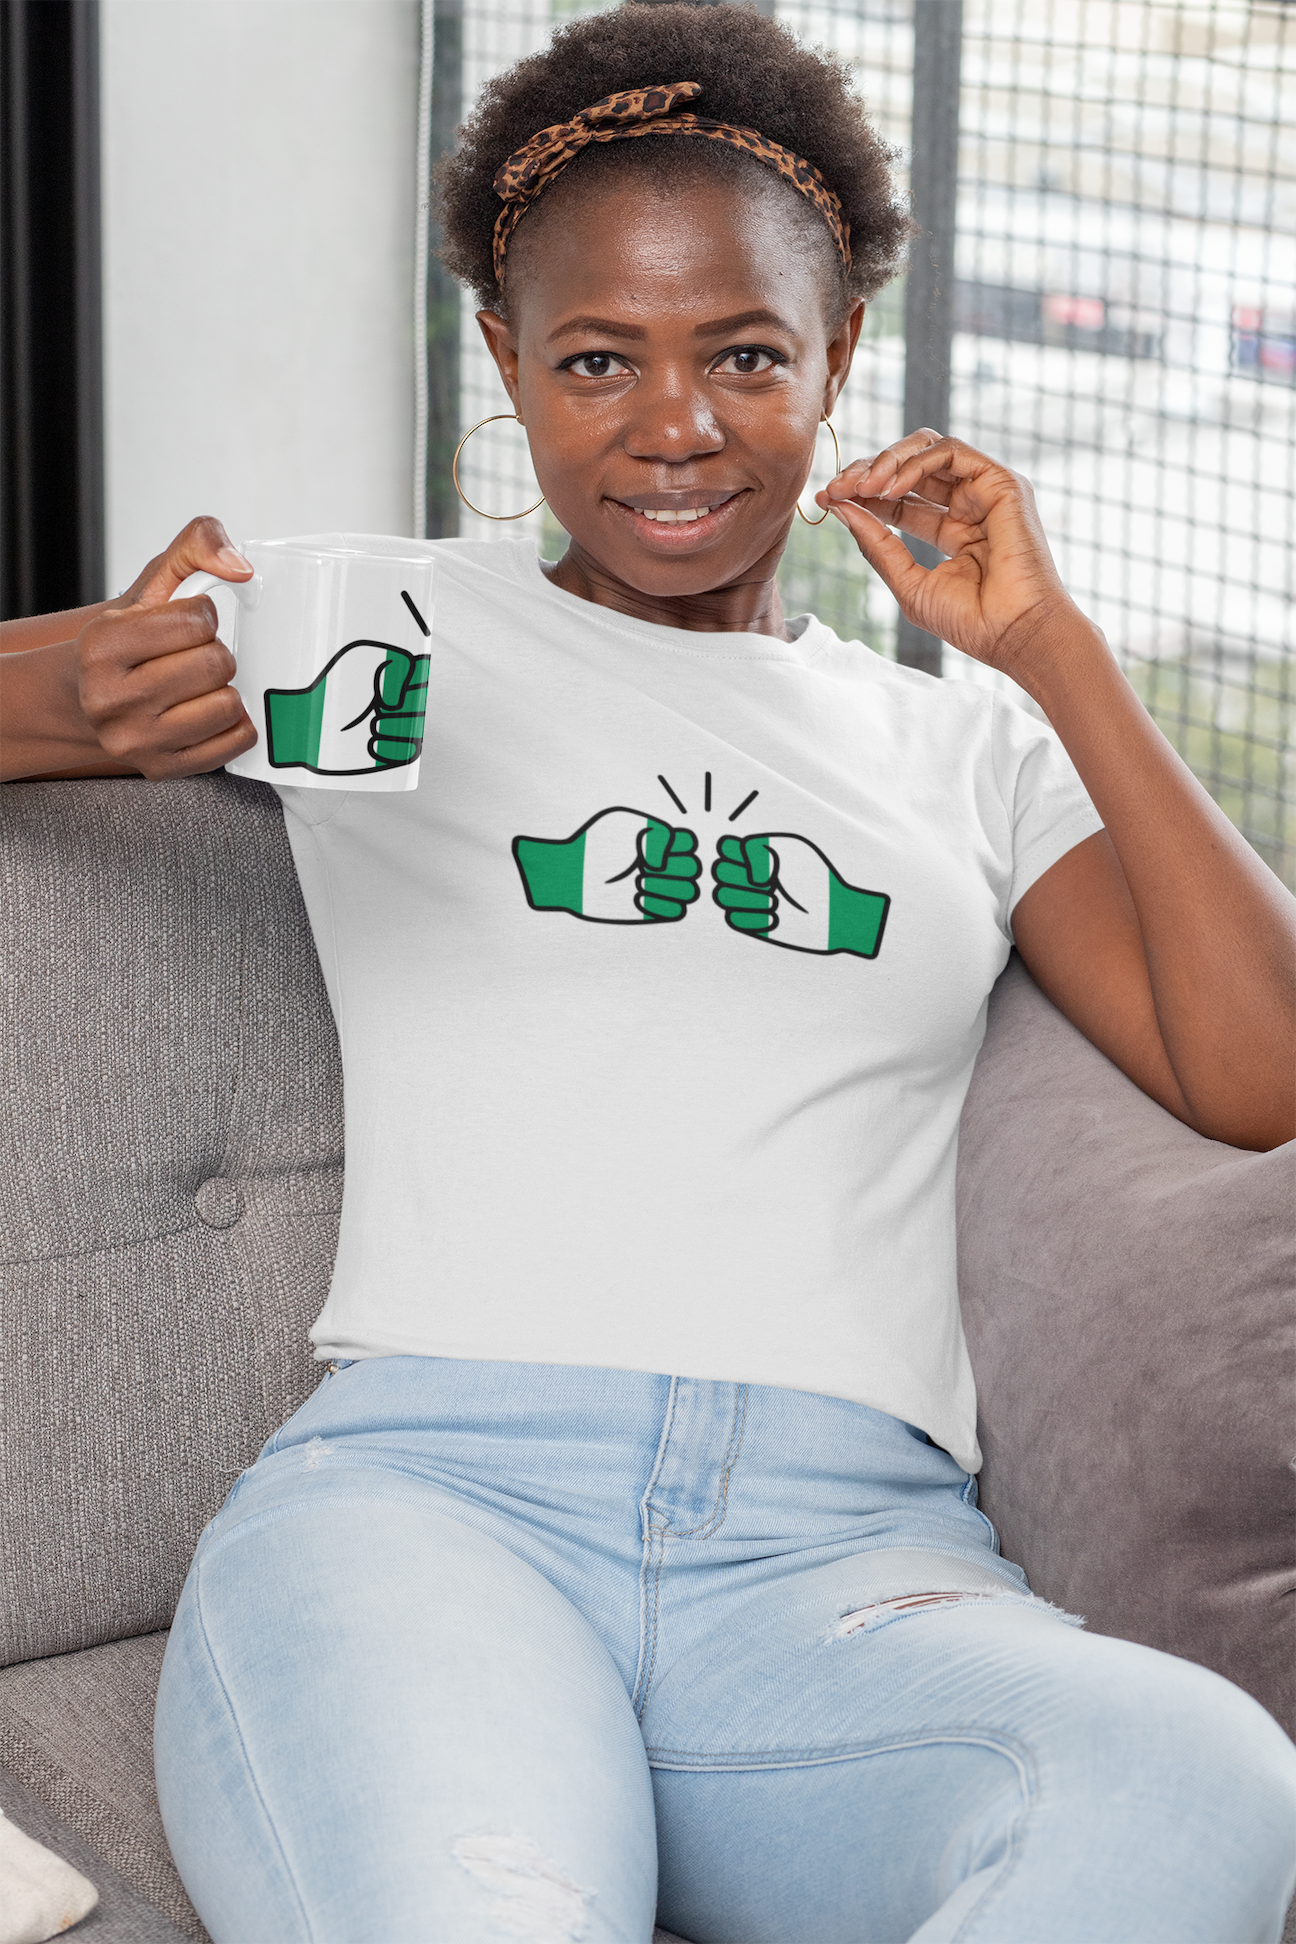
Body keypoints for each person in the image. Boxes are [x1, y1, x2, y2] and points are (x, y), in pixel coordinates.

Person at [4, 6, 1296, 1939]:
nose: (674, 429)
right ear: (507, 364)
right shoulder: (368, 626)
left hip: (848, 1568)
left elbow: (1259, 1074)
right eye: (597, 359)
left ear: (838, 359)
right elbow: (101, 687)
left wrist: (1056, 653)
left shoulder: (966, 751)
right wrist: (39, 693)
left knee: (1206, 1783)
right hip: (429, 1520)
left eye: (748, 357)